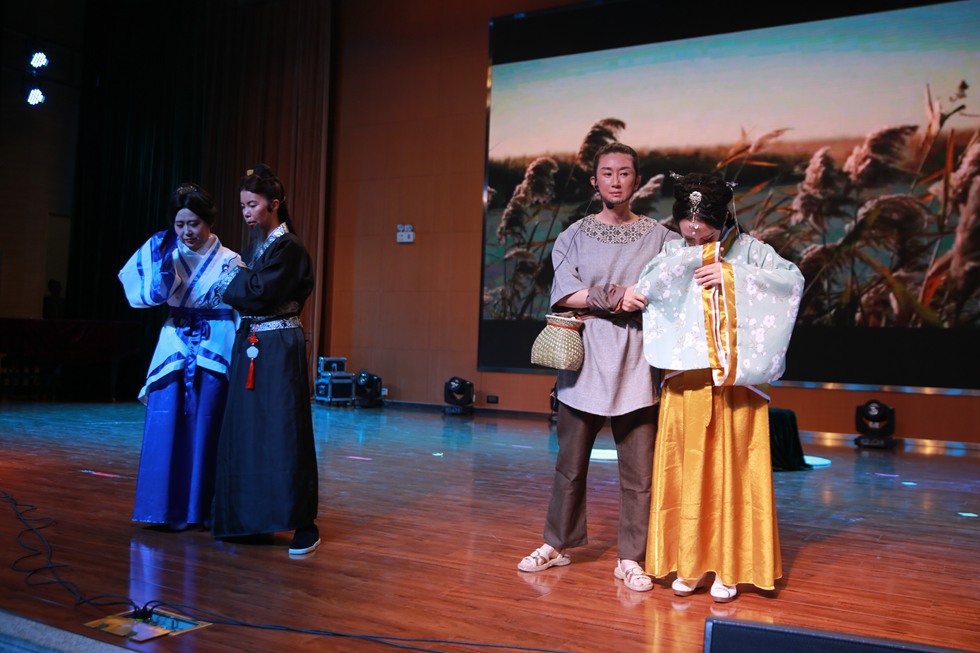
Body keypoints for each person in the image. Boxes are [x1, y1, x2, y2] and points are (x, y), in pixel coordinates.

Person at [517, 142, 680, 592]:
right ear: (595, 181)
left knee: (639, 474)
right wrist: (618, 296)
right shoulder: (573, 235)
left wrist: (606, 298)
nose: (615, 180)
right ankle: (557, 543)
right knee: (569, 466)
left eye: (624, 173)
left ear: (636, 180)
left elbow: (672, 286)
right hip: (583, 362)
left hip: (637, 363)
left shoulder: (661, 238)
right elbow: (565, 294)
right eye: (607, 173)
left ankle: (631, 557)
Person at [637, 172, 804, 602]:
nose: (694, 239)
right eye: (687, 232)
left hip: (735, 383)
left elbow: (791, 283)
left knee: (734, 471)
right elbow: (651, 288)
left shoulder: (752, 251)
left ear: (724, 218)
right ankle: (689, 563)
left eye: (704, 233)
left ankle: (731, 567)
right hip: (688, 381)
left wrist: (732, 277)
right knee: (687, 468)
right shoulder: (673, 251)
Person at [204, 164, 320, 556]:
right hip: (255, 343)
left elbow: (258, 292)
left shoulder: (290, 247)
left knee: (283, 431)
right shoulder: (262, 246)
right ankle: (250, 519)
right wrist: (239, 274)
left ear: (274, 204)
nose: (246, 212)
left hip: (278, 346)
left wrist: (231, 276)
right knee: (249, 431)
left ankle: (303, 523)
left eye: (252, 204)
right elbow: (252, 289)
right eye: (242, 206)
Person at [118, 183, 244, 530]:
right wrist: (159, 263)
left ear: (208, 223)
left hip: (215, 347)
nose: (187, 231)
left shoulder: (230, 260)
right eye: (180, 224)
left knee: (207, 426)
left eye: (194, 224)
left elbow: (241, 310)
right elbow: (141, 293)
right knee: (165, 422)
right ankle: (162, 508)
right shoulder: (166, 254)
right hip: (174, 345)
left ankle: (201, 509)